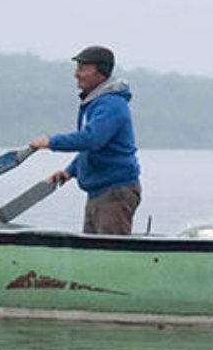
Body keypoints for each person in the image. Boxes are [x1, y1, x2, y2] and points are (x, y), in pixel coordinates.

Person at [29, 45, 141, 235]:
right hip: (100, 191)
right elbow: (94, 148)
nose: (76, 74)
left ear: (101, 72)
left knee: (109, 253)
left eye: (82, 68)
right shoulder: (96, 102)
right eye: (77, 68)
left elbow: (91, 139)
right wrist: (69, 172)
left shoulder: (111, 104)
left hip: (115, 191)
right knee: (93, 249)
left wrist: (51, 141)